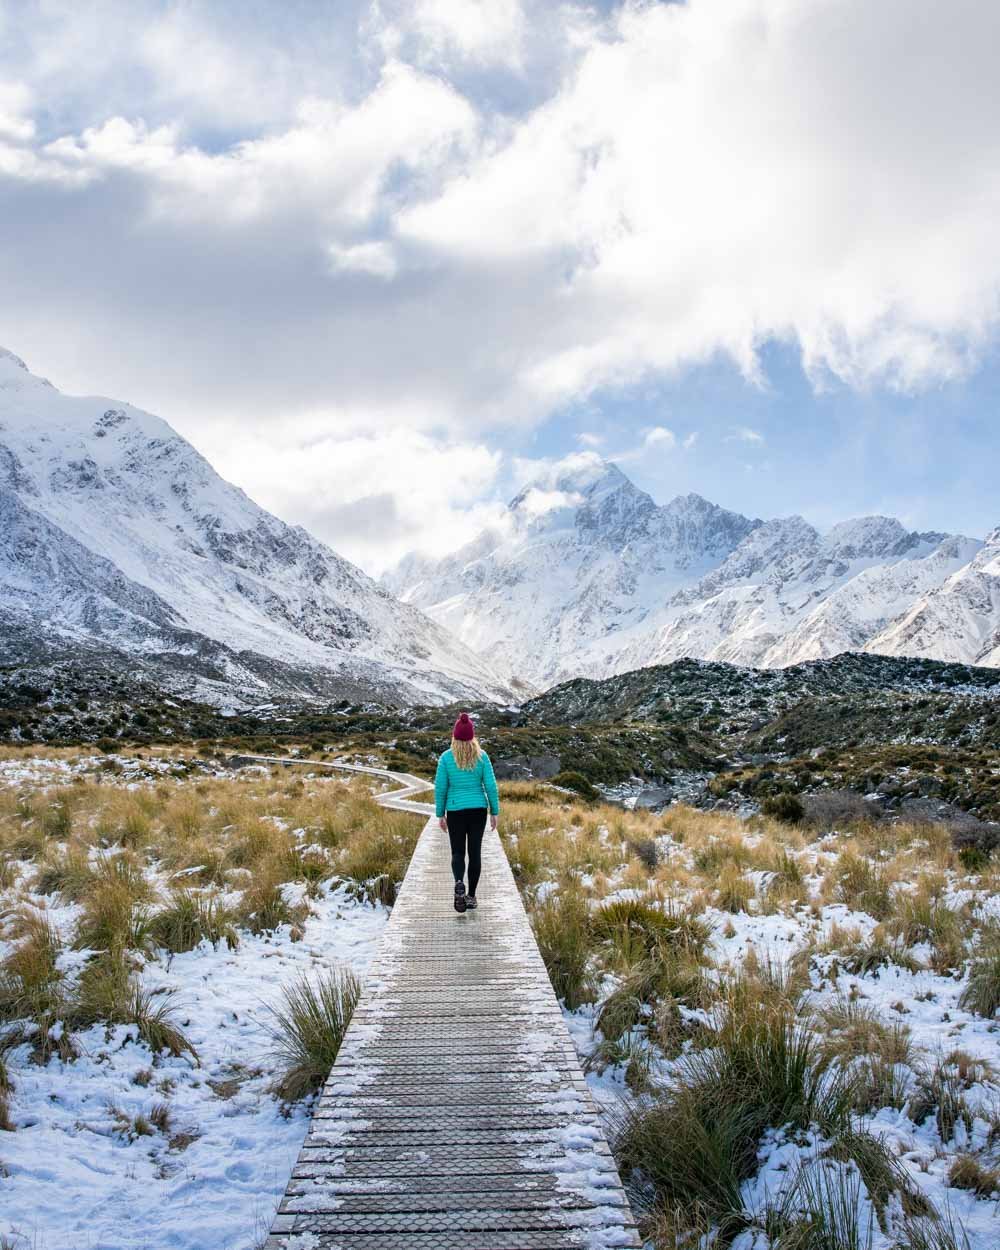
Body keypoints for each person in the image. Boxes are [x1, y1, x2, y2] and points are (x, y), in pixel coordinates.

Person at [434, 711, 500, 913]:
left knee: (457, 852)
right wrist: (494, 811)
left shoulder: (446, 758)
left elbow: (440, 787)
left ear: (454, 736)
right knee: (475, 853)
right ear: (472, 736)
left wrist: (440, 814)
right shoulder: (482, 756)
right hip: (478, 810)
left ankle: (458, 882)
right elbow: (490, 785)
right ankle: (471, 896)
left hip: (455, 810)